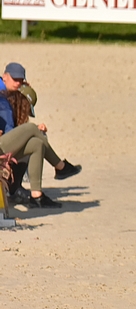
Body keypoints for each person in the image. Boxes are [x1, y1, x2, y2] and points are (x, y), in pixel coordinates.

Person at [0, 62, 81, 208]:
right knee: (31, 128)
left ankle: (37, 196)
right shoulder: (0, 88)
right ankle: (60, 166)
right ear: (4, 76)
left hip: (5, 143)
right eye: (15, 79)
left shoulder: (7, 94)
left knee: (36, 143)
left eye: (21, 80)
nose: (18, 83)